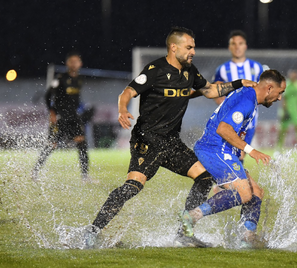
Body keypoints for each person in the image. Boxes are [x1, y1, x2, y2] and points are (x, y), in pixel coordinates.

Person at [83, 27, 257, 248]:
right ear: (174, 47)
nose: (193, 51)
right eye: (189, 47)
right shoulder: (155, 69)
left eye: (193, 47)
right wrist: (122, 109)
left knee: (204, 178)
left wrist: (238, 83)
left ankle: (184, 232)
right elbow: (127, 91)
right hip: (148, 140)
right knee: (132, 187)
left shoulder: (189, 71)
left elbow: (211, 90)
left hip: (172, 142)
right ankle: (93, 231)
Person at [180, 70, 286, 249]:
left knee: (256, 192)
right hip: (213, 150)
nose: (280, 98)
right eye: (280, 92)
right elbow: (223, 129)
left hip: (223, 150)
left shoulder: (250, 96)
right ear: (269, 88)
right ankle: (191, 216)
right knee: (244, 194)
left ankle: (247, 238)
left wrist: (239, 149)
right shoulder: (247, 100)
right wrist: (252, 150)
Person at [31, 51, 93, 183]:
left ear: (80, 64)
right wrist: (52, 113)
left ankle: (85, 176)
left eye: (76, 61)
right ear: (67, 63)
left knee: (81, 142)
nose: (74, 64)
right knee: (51, 144)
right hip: (60, 116)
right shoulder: (60, 78)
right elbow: (48, 96)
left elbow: (75, 99)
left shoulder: (80, 79)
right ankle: (35, 172)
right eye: (72, 61)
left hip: (73, 117)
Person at [213, 30, 264, 162]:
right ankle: (228, 181)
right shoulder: (222, 69)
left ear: (245, 46)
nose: (237, 47)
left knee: (240, 154)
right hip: (230, 120)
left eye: (240, 43)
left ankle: (227, 181)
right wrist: (226, 105)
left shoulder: (257, 67)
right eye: (233, 44)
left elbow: (263, 91)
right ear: (229, 47)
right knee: (232, 154)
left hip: (250, 121)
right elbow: (215, 92)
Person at [276, 69, 297, 156]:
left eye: (295, 74)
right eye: (293, 74)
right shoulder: (287, 84)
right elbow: (283, 98)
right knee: (282, 130)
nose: (294, 76)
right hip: (287, 110)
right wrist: (284, 110)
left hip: (296, 111)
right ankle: (278, 149)